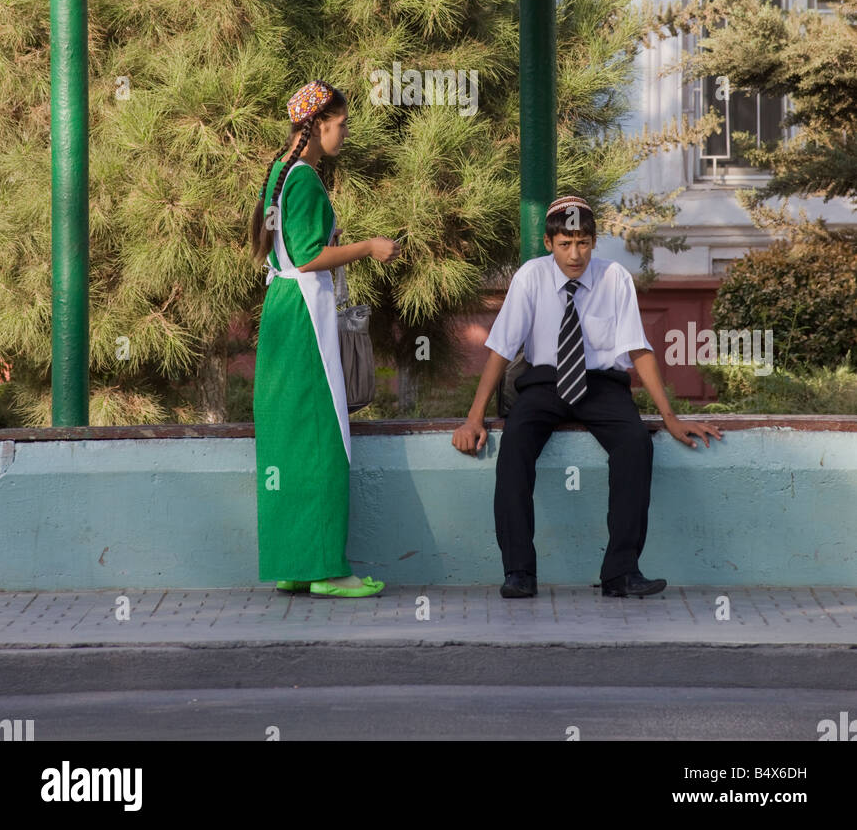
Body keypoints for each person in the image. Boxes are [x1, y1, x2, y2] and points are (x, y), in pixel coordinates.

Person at [452, 193, 723, 598]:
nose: (574, 254)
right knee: (514, 448)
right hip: (543, 383)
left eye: (583, 243)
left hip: (600, 385)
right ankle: (519, 572)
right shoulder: (532, 276)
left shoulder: (614, 277)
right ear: (549, 243)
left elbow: (638, 348)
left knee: (635, 445)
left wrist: (670, 417)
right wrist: (474, 418)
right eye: (565, 244)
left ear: (594, 241)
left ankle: (621, 572)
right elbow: (501, 348)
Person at [249, 79, 401, 598]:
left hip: (279, 312)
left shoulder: (279, 174)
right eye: (341, 125)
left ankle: (296, 563)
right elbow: (309, 257)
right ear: (317, 126)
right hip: (306, 318)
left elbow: (282, 246)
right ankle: (330, 571)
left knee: (289, 442)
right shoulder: (308, 179)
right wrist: (368, 246)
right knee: (325, 439)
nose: (346, 134)